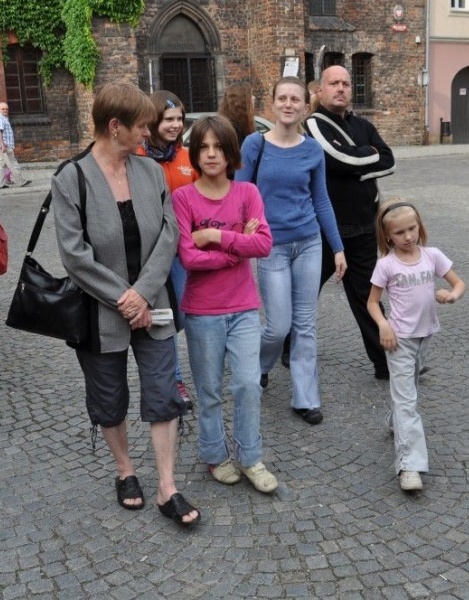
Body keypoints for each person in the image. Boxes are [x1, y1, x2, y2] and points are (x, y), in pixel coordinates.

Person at [52, 81, 198, 526]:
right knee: (108, 396)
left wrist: (143, 293)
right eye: (141, 127)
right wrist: (121, 297)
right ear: (114, 127)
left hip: (153, 305)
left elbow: (169, 234)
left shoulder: (151, 172)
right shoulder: (70, 178)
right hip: (100, 313)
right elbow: (74, 256)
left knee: (163, 393)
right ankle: (125, 471)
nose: (148, 135)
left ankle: (167, 486)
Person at [173, 115, 277, 493]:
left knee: (249, 384)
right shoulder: (183, 198)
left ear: (231, 151)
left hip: (244, 308)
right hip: (202, 311)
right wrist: (238, 247)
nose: (212, 154)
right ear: (195, 153)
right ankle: (215, 454)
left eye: (219, 147)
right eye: (203, 147)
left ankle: (250, 457)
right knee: (210, 390)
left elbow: (264, 244)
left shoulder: (247, 193)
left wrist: (216, 235)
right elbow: (189, 257)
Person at [236, 76, 346, 425]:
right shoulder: (255, 145)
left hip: (309, 243)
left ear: (305, 105)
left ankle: (306, 397)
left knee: (305, 323)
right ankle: (261, 364)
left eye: (295, 99)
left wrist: (338, 247)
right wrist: (244, 228)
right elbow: (240, 192)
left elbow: (322, 199)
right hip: (272, 247)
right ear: (272, 104)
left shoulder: (312, 149)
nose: (288, 104)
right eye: (282, 98)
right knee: (278, 326)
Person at [301, 65, 396, 380]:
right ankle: (283, 350)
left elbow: (388, 159)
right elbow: (337, 160)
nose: (340, 88)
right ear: (321, 90)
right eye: (334, 83)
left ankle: (386, 363)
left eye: (345, 83)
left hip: (364, 228)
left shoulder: (363, 124)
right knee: (303, 294)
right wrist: (364, 158)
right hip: (326, 231)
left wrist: (358, 161)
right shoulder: (314, 125)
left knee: (369, 297)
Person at [367, 199, 465, 492]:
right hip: (399, 341)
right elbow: (372, 302)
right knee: (407, 401)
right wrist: (384, 325)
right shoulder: (386, 264)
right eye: (400, 232)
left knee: (408, 390)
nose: (408, 236)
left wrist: (451, 295)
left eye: (412, 229)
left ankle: (396, 419)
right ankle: (409, 466)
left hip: (426, 337)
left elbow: (459, 283)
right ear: (388, 237)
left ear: (420, 226)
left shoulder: (432, 256)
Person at [136, 90, 197, 409]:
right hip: (152, 253)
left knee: (185, 315)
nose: (175, 126)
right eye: (169, 119)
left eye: (180, 120)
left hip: (184, 251)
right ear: (155, 120)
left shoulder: (188, 158)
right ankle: (173, 379)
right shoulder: (137, 157)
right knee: (165, 319)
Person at [0, 102, 31, 189]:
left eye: (6, 109)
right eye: (3, 109)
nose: (5, 110)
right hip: (5, 146)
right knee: (13, 163)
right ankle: (20, 181)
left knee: (0, 165)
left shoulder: (2, 118)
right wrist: (2, 144)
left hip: (3, 146)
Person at [218, 83, 256, 150]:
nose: (254, 97)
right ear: (241, 101)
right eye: (250, 95)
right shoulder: (231, 129)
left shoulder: (239, 124)